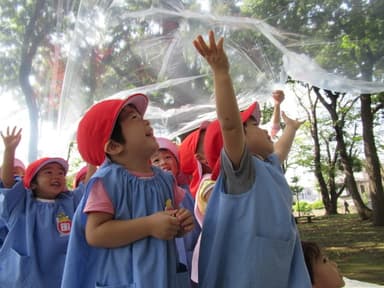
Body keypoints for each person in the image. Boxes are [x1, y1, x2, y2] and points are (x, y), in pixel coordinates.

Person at [193, 31, 311, 287]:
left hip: (278, 272)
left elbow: (280, 150)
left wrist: (290, 128)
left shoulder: (268, 166)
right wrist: (221, 72)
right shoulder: (242, 173)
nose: (264, 129)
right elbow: (231, 126)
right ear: (240, 141)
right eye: (254, 124)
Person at [61, 93, 194, 288]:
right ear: (114, 146)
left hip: (164, 277)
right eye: (134, 118)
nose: (146, 121)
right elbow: (95, 233)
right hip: (126, 278)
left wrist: (180, 224)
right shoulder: (107, 181)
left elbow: (169, 220)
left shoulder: (165, 180)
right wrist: (149, 225)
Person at [0, 126, 86, 287]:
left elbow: (90, 186)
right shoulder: (21, 204)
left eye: (61, 173)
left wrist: (91, 157)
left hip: (61, 280)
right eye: (48, 172)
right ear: (32, 183)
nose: (57, 176)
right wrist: (9, 150)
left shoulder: (70, 202)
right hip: (23, 280)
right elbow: (8, 183)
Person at [151, 137, 200, 277]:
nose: (163, 162)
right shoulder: (153, 196)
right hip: (171, 261)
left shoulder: (189, 190)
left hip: (195, 254)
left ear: (178, 163)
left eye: (168, 157)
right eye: (156, 160)